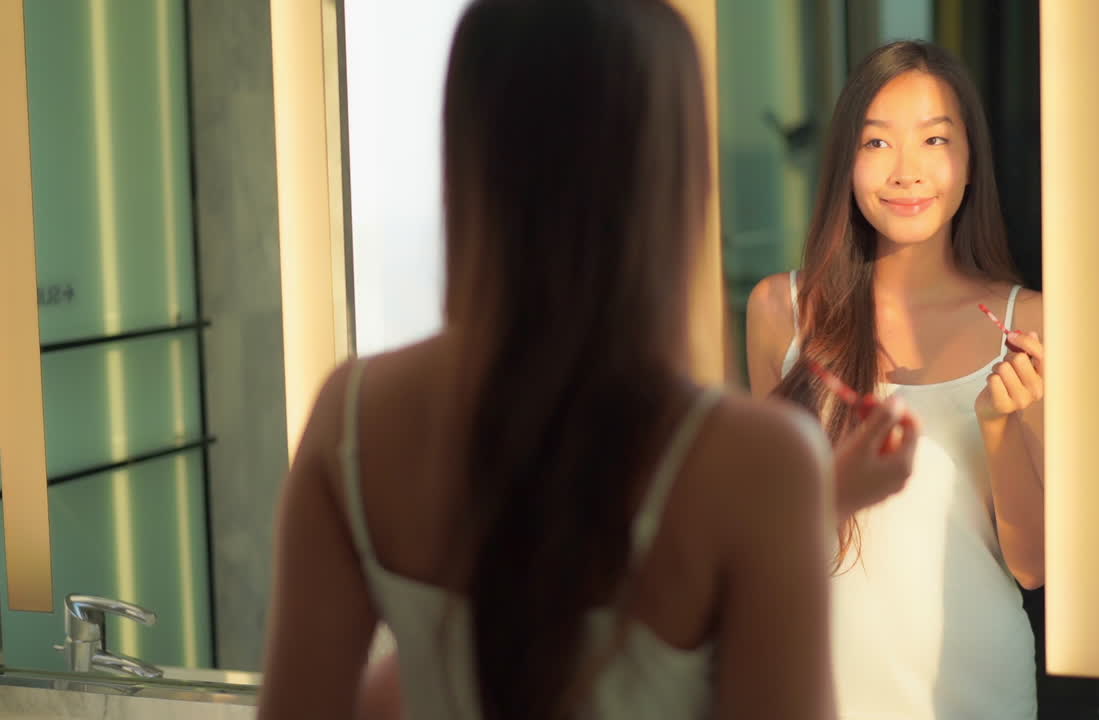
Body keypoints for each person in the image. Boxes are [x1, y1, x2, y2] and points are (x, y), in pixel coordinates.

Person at [257, 2, 915, 718]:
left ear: (469, 151)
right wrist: (799, 502)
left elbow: (450, 665)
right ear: (674, 174)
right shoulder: (760, 464)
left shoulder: (353, 419)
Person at [747, 40, 1046, 719]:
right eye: (877, 144)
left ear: (970, 163)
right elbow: (761, 538)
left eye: (934, 139)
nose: (907, 171)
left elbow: (1033, 566)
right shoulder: (778, 312)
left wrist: (1005, 422)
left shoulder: (1027, 322)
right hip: (813, 688)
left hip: (973, 690)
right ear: (845, 165)